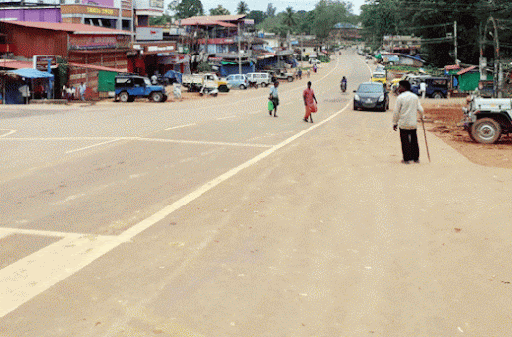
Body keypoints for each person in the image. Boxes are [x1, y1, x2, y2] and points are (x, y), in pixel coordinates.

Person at [392, 80, 424, 164]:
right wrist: (422, 117)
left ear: (404, 87)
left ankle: (406, 159)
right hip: (413, 123)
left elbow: (396, 112)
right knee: (414, 141)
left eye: (400, 87)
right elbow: (420, 109)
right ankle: (416, 158)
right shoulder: (415, 97)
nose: (398, 89)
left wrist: (394, 123)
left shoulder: (400, 98)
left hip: (404, 123)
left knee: (405, 141)